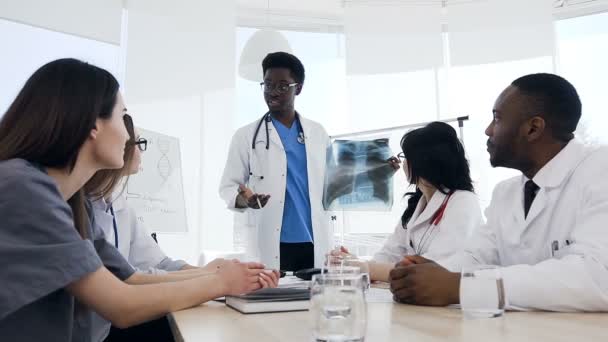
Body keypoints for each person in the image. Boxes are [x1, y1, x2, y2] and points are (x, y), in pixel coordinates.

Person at [0, 58, 279, 341]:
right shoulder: (23, 188)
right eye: (123, 116)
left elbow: (128, 278)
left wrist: (217, 276)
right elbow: (121, 304)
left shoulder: (74, 204)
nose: (128, 134)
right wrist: (220, 282)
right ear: (92, 126)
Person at [389, 73, 608, 312]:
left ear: (533, 128)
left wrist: (460, 287)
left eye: (497, 118)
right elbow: (476, 258)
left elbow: (596, 276)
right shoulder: (507, 193)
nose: (488, 130)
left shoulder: (599, 170)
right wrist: (426, 271)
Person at [219, 52, 331, 271]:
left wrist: (377, 171)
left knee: (313, 301)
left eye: (282, 86)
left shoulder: (317, 133)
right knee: (273, 301)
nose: (272, 92)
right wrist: (245, 200)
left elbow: (336, 181)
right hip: (270, 241)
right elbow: (228, 186)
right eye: (268, 85)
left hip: (313, 240)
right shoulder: (245, 136)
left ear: (297, 88)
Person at [334, 122, 483, 282]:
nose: (403, 163)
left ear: (423, 162)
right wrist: (353, 262)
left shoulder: (462, 202)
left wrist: (366, 268)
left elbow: (437, 268)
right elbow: (389, 254)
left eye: (406, 157)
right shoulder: (417, 205)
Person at [86, 114, 199, 274]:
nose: (141, 151)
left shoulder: (121, 204)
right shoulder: (80, 204)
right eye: (138, 143)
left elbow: (159, 264)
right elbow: (124, 277)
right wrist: (212, 278)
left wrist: (211, 273)